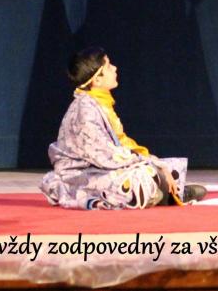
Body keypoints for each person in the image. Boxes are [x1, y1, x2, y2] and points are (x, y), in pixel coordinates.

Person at [40, 47, 206, 209]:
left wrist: (151, 160)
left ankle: (165, 192)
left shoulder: (99, 103)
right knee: (142, 175)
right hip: (80, 175)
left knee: (165, 166)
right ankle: (164, 194)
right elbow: (106, 156)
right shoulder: (85, 110)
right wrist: (148, 162)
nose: (115, 68)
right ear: (97, 80)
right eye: (109, 66)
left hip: (99, 167)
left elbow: (119, 146)